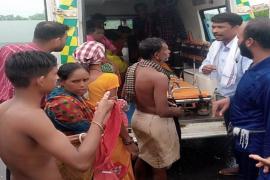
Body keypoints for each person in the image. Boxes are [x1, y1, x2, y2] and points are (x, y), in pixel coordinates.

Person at [0, 51, 114, 180]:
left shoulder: (4, 108)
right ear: (41, 81)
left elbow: (31, 147)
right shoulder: (32, 116)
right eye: (55, 74)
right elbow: (81, 162)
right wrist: (100, 113)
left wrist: (79, 137)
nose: (57, 79)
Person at [212, 19, 270, 180]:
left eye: (239, 38)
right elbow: (255, 96)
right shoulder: (256, 65)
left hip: (258, 151)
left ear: (250, 42)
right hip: (246, 146)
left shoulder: (267, 76)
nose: (237, 42)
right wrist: (231, 100)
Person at [74, 41, 138, 180]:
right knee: (117, 169)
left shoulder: (76, 81)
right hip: (110, 133)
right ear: (101, 57)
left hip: (88, 133)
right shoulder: (109, 78)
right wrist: (127, 140)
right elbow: (114, 114)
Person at [199, 13, 253, 175]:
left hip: (242, 100)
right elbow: (205, 64)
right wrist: (205, 68)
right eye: (213, 26)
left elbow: (250, 77)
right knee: (234, 134)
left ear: (236, 28)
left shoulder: (244, 47)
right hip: (224, 97)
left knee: (245, 135)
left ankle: (249, 168)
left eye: (220, 27)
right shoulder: (216, 45)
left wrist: (235, 99)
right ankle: (241, 165)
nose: (215, 30)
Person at [122, 37, 182, 180]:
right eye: (166, 49)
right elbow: (162, 111)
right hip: (155, 123)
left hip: (138, 118)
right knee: (159, 166)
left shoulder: (134, 68)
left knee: (145, 156)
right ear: (156, 55)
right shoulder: (159, 76)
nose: (169, 51)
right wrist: (179, 111)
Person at [0, 21, 69, 104]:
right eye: (65, 38)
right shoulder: (43, 61)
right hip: (24, 108)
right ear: (57, 40)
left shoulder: (7, 48)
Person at [45, 63, 92, 135]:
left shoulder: (74, 93)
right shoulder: (63, 103)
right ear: (61, 82)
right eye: (75, 81)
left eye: (85, 80)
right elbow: (89, 130)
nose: (82, 85)